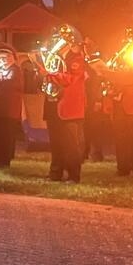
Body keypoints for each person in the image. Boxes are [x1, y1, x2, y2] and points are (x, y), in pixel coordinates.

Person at [46, 47, 86, 182]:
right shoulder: (59, 59)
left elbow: (70, 80)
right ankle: (56, 173)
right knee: (57, 143)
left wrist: (51, 73)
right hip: (56, 108)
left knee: (71, 146)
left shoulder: (78, 59)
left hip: (71, 110)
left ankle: (74, 176)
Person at [0, 48, 23, 167]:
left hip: (9, 110)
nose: (0, 61)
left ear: (11, 58)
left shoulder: (15, 70)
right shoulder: (2, 70)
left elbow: (8, 84)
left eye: (3, 58)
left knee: (6, 136)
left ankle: (4, 160)